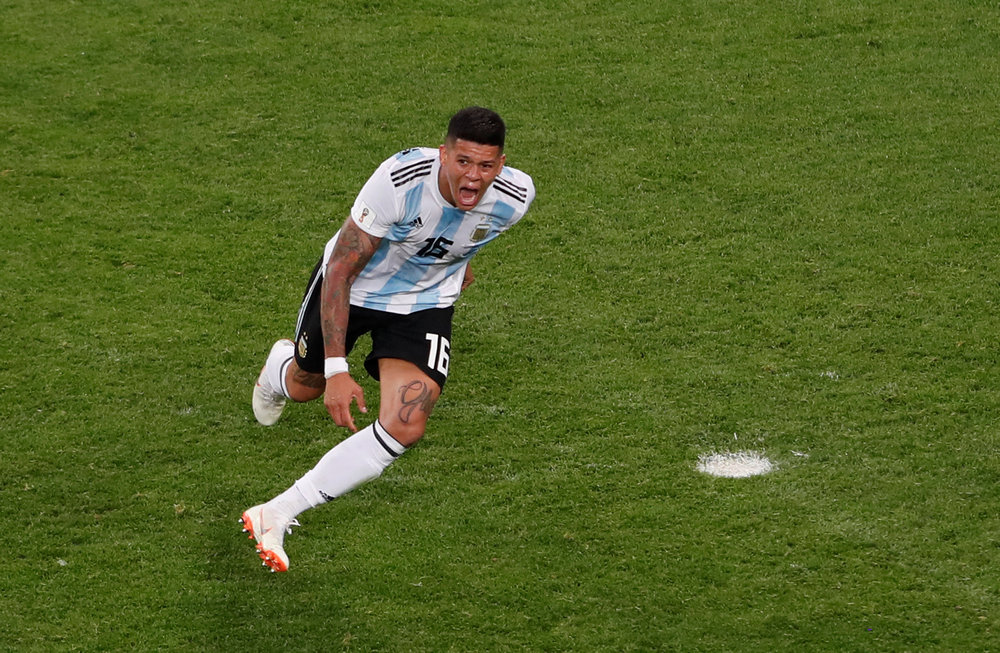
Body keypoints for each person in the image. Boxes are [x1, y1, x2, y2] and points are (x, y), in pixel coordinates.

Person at [239, 107, 536, 572]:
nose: (473, 178)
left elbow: (467, 237)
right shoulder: (400, 179)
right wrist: (337, 371)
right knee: (306, 388)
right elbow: (340, 267)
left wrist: (455, 268)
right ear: (443, 154)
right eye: (462, 162)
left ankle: (276, 512)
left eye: (485, 166)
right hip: (354, 287)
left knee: (406, 423)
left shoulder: (516, 197)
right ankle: (281, 368)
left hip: (423, 303)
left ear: (501, 165)